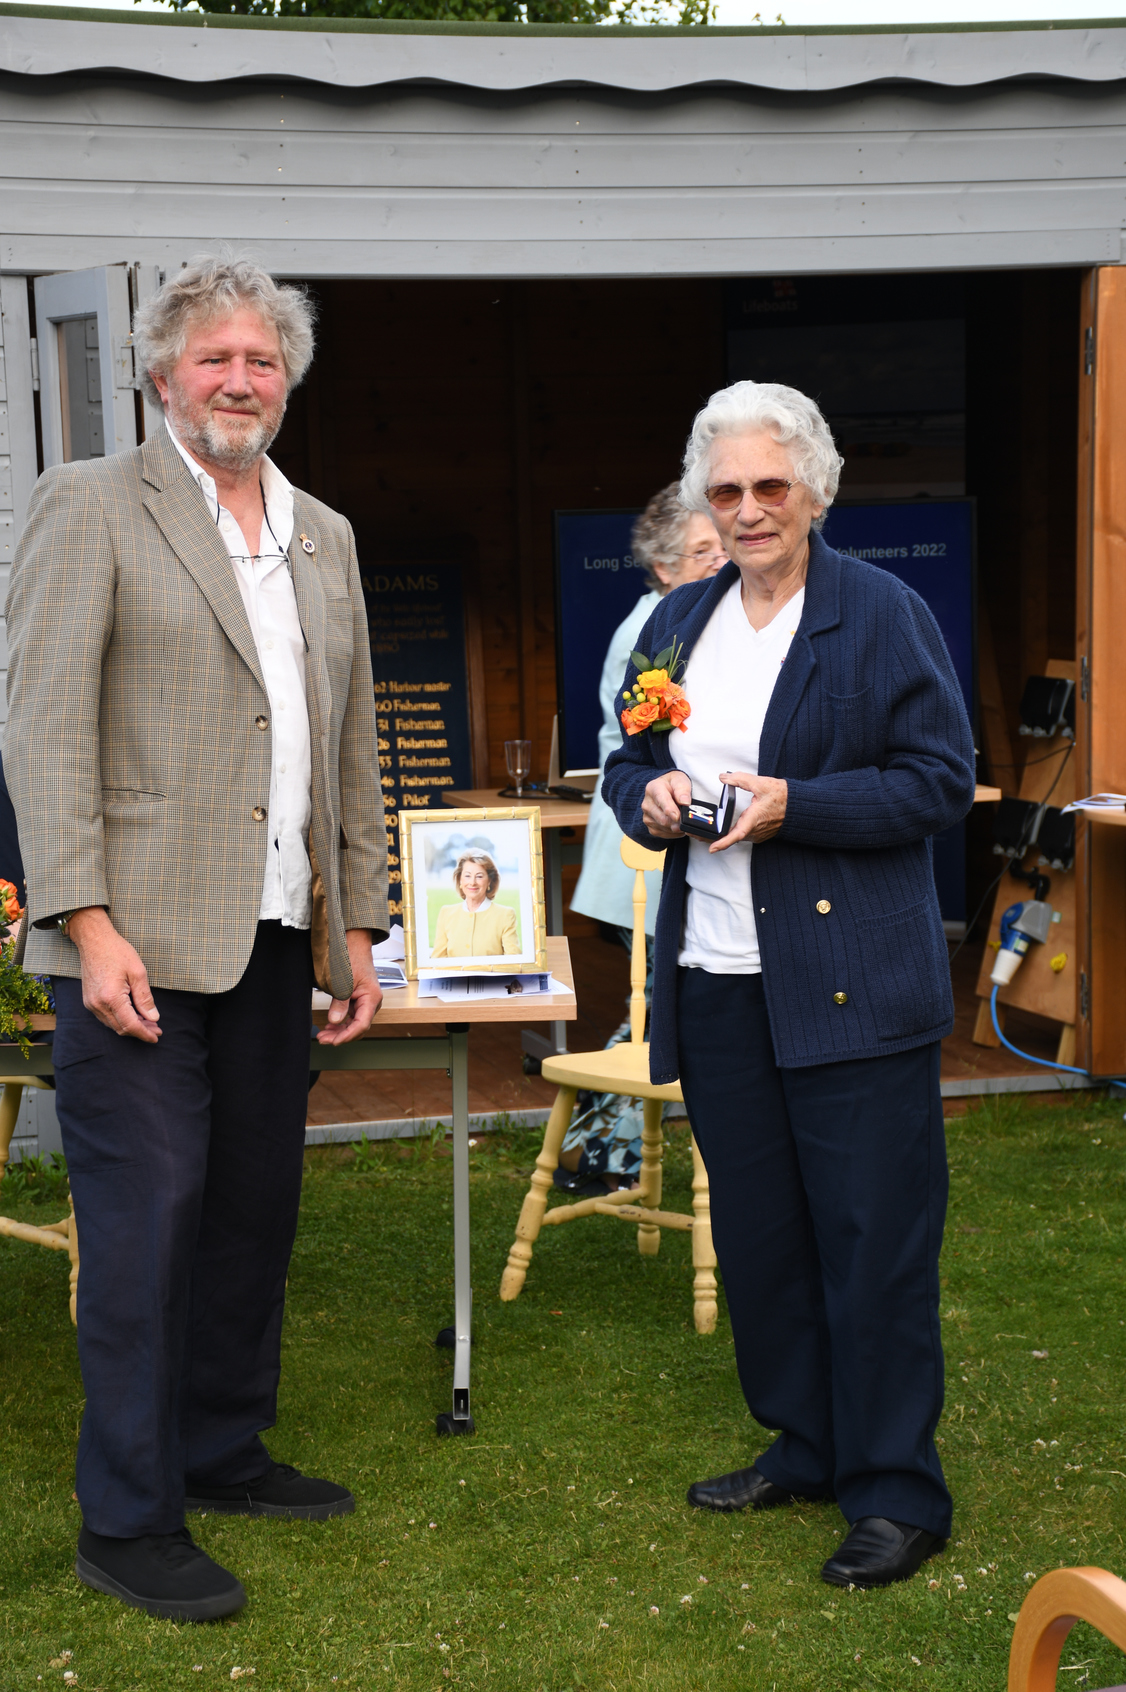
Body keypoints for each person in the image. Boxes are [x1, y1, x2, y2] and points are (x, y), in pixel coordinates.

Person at [5, 256, 388, 1623]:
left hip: (280, 942)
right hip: (135, 953)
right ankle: (126, 1516)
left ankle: (223, 1450)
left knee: (249, 1216)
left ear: (287, 380)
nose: (241, 379)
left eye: (263, 360)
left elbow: (349, 747)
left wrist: (361, 925)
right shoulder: (89, 505)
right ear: (162, 374)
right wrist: (83, 922)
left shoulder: (323, 533)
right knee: (146, 1229)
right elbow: (40, 726)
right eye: (216, 357)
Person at [602, 380, 975, 1590]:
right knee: (762, 1238)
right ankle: (805, 1446)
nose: (749, 509)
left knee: (871, 1242)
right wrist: (646, 796)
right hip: (716, 980)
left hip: (849, 985)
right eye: (727, 491)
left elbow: (937, 783)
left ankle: (895, 1493)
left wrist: (792, 805)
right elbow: (628, 758)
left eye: (770, 487)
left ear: (814, 488)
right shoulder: (680, 620)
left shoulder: (880, 612)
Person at [562, 487, 725, 1191]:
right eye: (701, 551)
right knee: (661, 1005)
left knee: (662, 1003)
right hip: (648, 849)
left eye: (722, 546)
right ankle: (596, 1149)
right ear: (662, 567)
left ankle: (601, 1151)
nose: (719, 559)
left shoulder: (697, 619)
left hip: (665, 849)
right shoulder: (653, 630)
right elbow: (665, 747)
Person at [430, 850, 519, 957]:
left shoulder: (505, 915)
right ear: (460, 880)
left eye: (479, 876)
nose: (472, 882)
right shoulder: (446, 913)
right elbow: (438, 960)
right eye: (467, 876)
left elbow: (514, 963)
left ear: (489, 880)